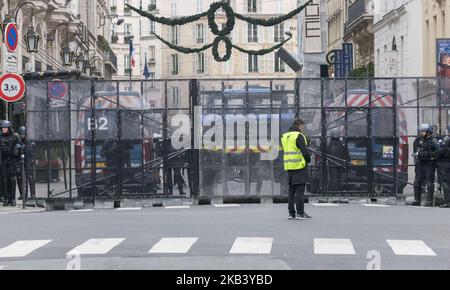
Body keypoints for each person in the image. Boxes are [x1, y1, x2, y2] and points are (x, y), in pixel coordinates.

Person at [281, 119, 312, 220]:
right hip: (299, 166)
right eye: (302, 126)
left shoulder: (285, 136)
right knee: (299, 192)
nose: (302, 128)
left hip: (289, 166)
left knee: (291, 192)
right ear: (299, 125)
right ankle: (300, 213)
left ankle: (291, 213)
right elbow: (305, 151)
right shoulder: (298, 136)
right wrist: (308, 160)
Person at [412, 124, 438, 207]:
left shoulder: (433, 141)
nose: (422, 133)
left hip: (429, 164)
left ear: (428, 132)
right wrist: (417, 156)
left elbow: (437, 152)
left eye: (424, 131)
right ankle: (417, 200)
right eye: (421, 131)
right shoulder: (418, 140)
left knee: (429, 182)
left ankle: (429, 201)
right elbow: (415, 151)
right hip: (420, 163)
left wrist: (426, 154)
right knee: (417, 182)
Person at [0, 121, 21, 207]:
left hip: (12, 160)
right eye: (2, 127)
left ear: (8, 128)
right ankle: (6, 198)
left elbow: (20, 146)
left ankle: (12, 198)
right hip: (3, 160)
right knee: (4, 180)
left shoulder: (14, 136)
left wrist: (17, 151)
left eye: (5, 127)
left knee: (12, 180)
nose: (3, 129)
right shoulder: (0, 136)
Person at [15, 126, 36, 200]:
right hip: (20, 162)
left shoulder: (30, 142)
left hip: (28, 161)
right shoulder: (18, 142)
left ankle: (33, 194)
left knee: (30, 178)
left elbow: (32, 153)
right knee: (20, 178)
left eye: (24, 134)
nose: (23, 135)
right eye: (21, 134)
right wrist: (17, 148)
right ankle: (23, 195)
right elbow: (15, 154)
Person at [437, 136, 450, 208]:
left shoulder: (444, 149)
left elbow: (437, 154)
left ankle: (447, 202)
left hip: (445, 166)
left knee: (445, 184)